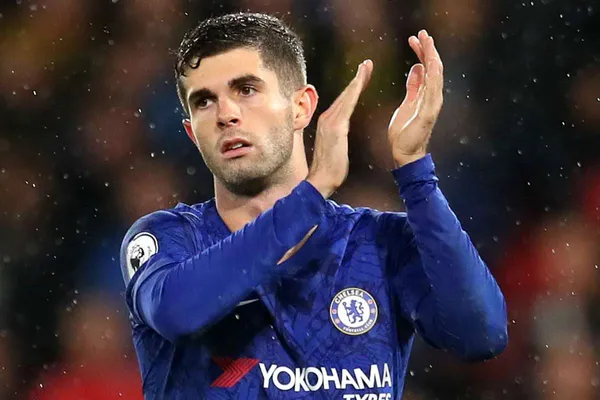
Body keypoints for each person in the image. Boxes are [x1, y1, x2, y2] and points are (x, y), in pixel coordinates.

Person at [119, 12, 508, 399]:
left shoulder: (377, 243)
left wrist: (416, 173)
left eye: (246, 90)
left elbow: (480, 336)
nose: (226, 115)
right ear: (192, 133)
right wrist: (312, 192)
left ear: (302, 107)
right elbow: (178, 313)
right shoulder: (167, 239)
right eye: (204, 101)